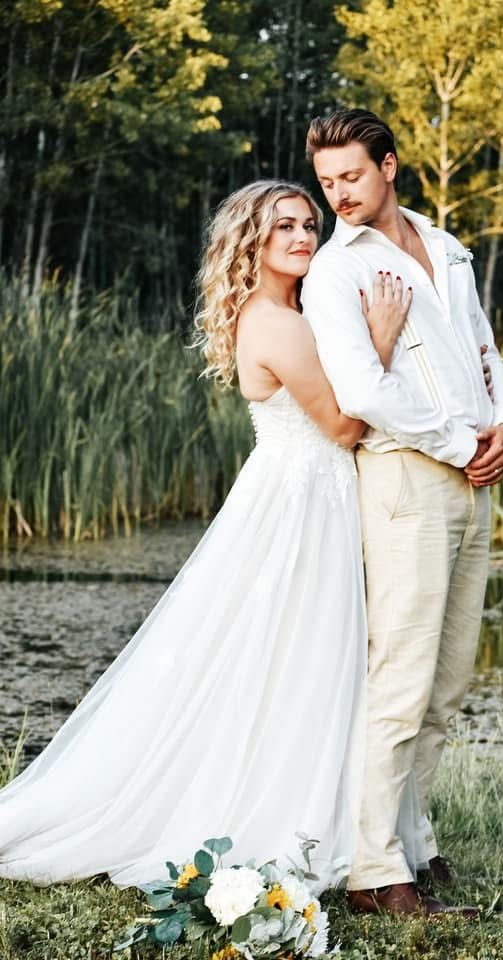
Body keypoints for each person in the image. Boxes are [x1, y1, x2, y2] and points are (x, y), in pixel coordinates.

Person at [0, 180, 412, 890]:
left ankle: (341, 814)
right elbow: (344, 427)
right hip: (297, 508)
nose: (302, 236)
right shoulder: (275, 322)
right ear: (250, 240)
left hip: (313, 496)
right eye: (283, 226)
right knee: (288, 655)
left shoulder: (295, 309)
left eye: (308, 224)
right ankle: (274, 811)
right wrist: (380, 336)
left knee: (292, 656)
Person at [301, 108, 503, 917]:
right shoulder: (336, 272)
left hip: (469, 481)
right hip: (404, 480)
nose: (339, 196)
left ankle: (414, 845)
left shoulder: (445, 245)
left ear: (389, 165)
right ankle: (373, 872)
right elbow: (363, 391)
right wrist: (463, 441)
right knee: (399, 681)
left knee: (447, 684)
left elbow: (483, 349)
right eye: (328, 184)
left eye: (351, 177)